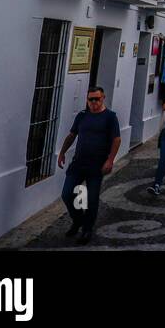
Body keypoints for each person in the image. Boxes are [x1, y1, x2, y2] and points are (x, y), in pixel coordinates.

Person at [57, 85, 121, 244]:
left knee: (91, 199)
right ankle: (78, 219)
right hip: (78, 163)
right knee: (67, 194)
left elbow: (116, 139)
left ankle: (87, 229)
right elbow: (72, 135)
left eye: (96, 99)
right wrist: (62, 152)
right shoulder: (82, 116)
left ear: (103, 98)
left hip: (96, 165)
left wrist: (110, 160)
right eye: (90, 99)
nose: (93, 102)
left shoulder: (110, 117)